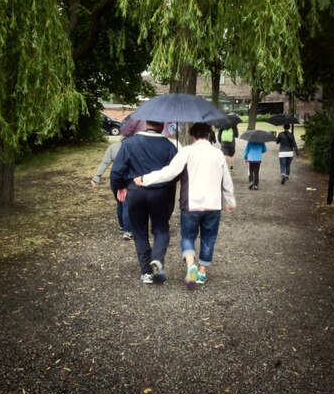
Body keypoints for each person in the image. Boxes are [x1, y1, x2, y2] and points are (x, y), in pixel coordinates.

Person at [134, 123, 236, 288]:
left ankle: (191, 265)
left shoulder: (187, 152)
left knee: (188, 237)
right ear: (209, 135)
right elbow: (227, 181)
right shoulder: (218, 154)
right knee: (208, 239)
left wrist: (145, 179)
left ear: (193, 136)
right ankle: (202, 273)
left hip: (191, 204)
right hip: (213, 205)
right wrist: (230, 200)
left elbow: (169, 172)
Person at [110, 120, 178, 285]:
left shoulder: (129, 143)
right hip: (160, 193)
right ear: (162, 126)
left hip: (135, 192)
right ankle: (157, 258)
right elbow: (175, 174)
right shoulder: (169, 146)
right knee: (161, 229)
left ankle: (146, 273)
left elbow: (117, 171)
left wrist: (119, 187)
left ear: (146, 124)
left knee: (139, 231)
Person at [91, 137, 132, 240]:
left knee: (120, 202)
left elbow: (105, 162)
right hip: (128, 178)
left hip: (115, 178)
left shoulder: (112, 147)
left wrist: (97, 177)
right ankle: (127, 230)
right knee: (126, 203)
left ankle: (122, 225)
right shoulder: (133, 147)